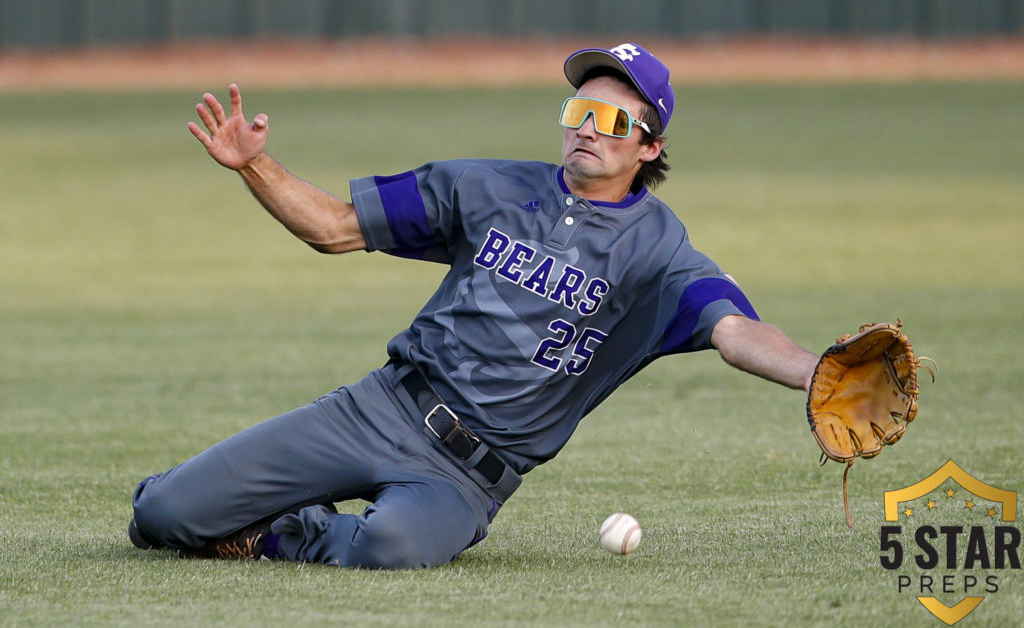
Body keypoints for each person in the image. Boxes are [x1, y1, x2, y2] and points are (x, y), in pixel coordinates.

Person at [129, 42, 819, 568]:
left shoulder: (659, 251)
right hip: (380, 406)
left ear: (651, 145)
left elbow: (735, 331)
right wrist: (254, 163)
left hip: (463, 476)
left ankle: (285, 530)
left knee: (390, 547)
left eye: (612, 120)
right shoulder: (485, 186)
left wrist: (818, 371)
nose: (587, 129)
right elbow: (335, 227)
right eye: (578, 112)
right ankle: (236, 500)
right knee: (162, 515)